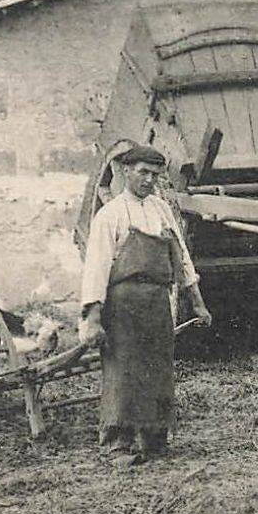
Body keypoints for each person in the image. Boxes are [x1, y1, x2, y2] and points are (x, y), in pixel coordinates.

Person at [79, 144, 212, 464]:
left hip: (157, 301)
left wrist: (197, 301)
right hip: (123, 303)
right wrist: (93, 318)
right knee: (123, 370)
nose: (149, 180)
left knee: (158, 369)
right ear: (126, 172)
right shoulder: (109, 215)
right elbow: (96, 268)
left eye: (155, 175)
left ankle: (154, 439)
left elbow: (182, 259)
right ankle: (117, 444)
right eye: (143, 173)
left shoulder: (161, 210)